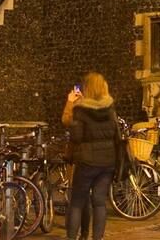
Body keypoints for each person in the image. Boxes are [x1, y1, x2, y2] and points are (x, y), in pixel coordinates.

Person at [64, 73, 122, 240]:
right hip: (108, 162)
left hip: (87, 162)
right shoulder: (110, 108)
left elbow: (76, 137)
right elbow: (116, 135)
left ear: (87, 88)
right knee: (99, 202)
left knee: (77, 202)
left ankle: (72, 237)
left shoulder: (81, 109)